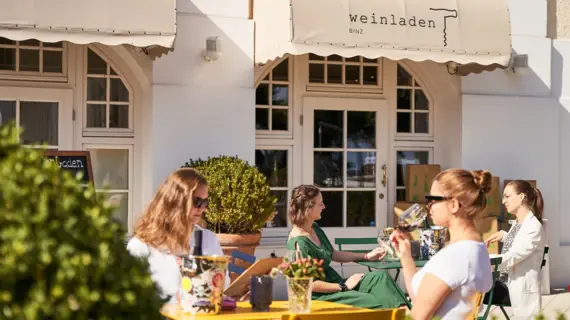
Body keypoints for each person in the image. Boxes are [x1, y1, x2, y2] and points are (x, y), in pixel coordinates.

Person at [390, 169, 494, 319]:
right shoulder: (477, 249)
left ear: (453, 205)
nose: (428, 206)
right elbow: (421, 298)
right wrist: (405, 256)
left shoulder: (454, 256)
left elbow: (418, 317)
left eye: (432, 200)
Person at [285, 185, 408, 309]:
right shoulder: (298, 244)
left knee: (380, 278)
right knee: (375, 301)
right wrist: (343, 286)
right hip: (323, 295)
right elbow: (306, 284)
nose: (324, 207)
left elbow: (333, 254)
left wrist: (366, 256)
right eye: (320, 204)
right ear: (308, 209)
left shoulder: (314, 228)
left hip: (337, 284)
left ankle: (409, 314)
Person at [127, 168, 230, 304]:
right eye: (197, 202)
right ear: (176, 201)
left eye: (205, 203)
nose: (202, 208)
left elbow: (224, 285)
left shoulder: (208, 239)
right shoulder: (142, 246)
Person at [484, 180, 546, 319]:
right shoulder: (520, 222)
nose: (503, 201)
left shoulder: (533, 227)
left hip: (515, 288)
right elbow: (520, 244)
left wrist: (484, 260)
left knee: (471, 291)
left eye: (507, 196)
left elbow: (513, 256)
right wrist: (503, 236)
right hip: (506, 284)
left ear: (521, 197)